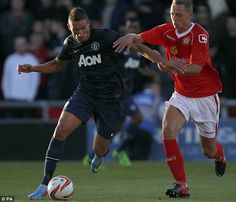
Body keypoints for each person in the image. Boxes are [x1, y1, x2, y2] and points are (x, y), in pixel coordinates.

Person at [18, 7, 181, 200]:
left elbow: (138, 46)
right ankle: (45, 183)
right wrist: (33, 69)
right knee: (60, 131)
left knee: (99, 149)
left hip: (110, 100)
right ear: (69, 28)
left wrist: (162, 61)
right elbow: (57, 63)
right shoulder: (71, 43)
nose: (80, 34)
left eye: (83, 28)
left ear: (89, 24)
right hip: (85, 94)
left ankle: (100, 155)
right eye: (75, 30)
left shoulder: (106, 36)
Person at [113, 0, 226, 198]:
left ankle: (220, 156)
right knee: (167, 129)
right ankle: (182, 185)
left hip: (205, 97)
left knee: (209, 150)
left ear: (190, 15)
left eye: (179, 15)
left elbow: (196, 68)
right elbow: (139, 40)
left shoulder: (199, 35)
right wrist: (131, 38)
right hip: (181, 94)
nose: (175, 19)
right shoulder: (166, 31)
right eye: (173, 14)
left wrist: (167, 65)